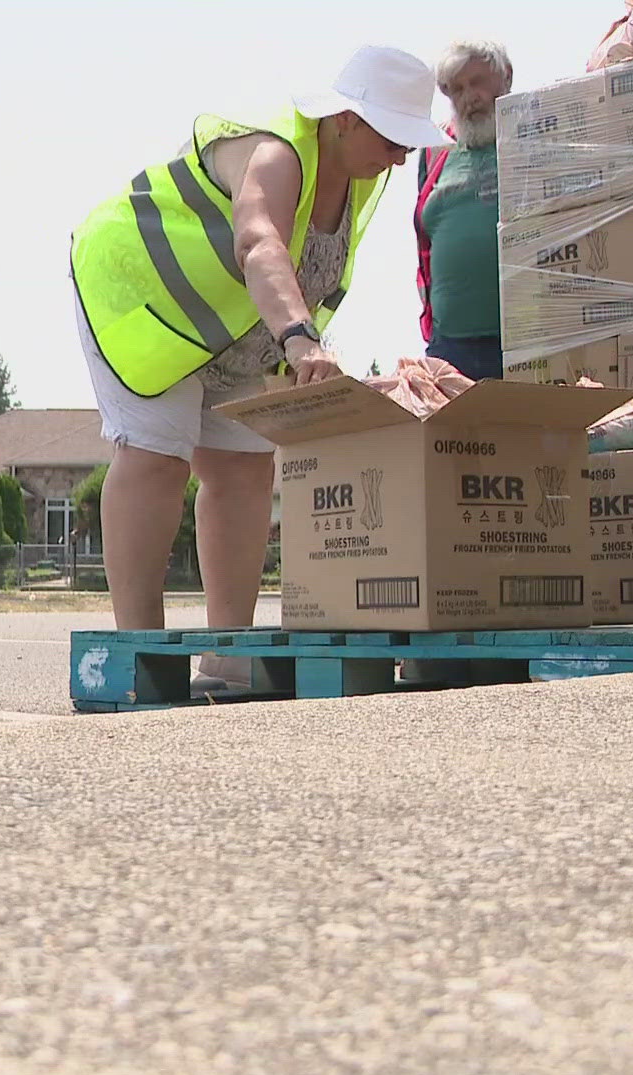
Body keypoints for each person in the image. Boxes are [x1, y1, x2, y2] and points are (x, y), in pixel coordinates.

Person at [69, 46, 452, 685]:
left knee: (246, 470)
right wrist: (301, 340)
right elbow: (259, 241)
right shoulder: (278, 151)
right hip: (140, 298)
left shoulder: (363, 176)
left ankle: (227, 657)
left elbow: (311, 267)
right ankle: (138, 656)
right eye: (393, 139)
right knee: (157, 458)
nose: (400, 156)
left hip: (236, 333)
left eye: (408, 145)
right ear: (346, 119)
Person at [416, 41, 514, 381]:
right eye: (456, 89)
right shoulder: (434, 152)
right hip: (449, 348)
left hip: (521, 344)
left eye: (477, 82)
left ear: (506, 78)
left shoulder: (533, 135)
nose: (468, 97)